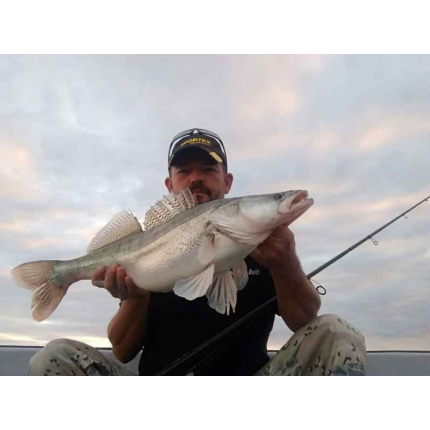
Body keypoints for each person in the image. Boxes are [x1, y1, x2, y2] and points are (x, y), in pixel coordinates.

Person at [28, 128, 367, 376]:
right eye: (184, 171)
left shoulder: (265, 246)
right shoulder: (148, 245)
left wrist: (286, 264)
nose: (195, 179)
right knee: (55, 356)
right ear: (170, 184)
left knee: (336, 332)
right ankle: (61, 273)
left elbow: (304, 322)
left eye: (208, 169)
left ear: (227, 182)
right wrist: (136, 298)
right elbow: (123, 350)